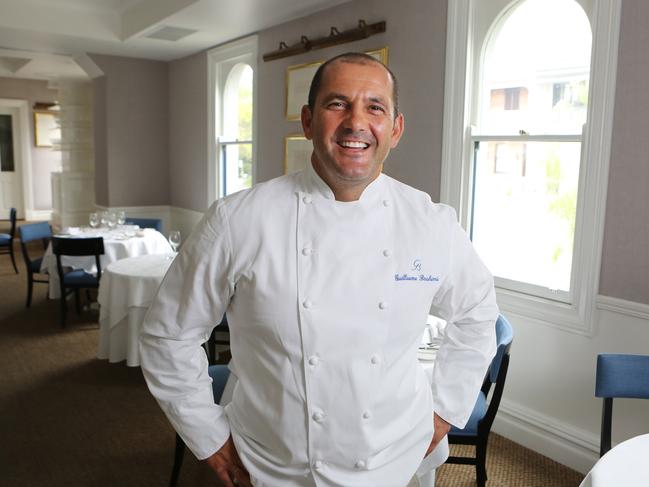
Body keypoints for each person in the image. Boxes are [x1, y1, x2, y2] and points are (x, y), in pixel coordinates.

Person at [140, 52, 498, 487]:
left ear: (396, 129)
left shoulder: (431, 223)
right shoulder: (239, 220)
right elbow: (168, 335)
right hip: (274, 463)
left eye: (375, 107)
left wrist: (444, 410)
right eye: (337, 104)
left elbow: (478, 313)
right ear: (308, 122)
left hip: (398, 457)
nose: (356, 122)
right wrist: (210, 436)